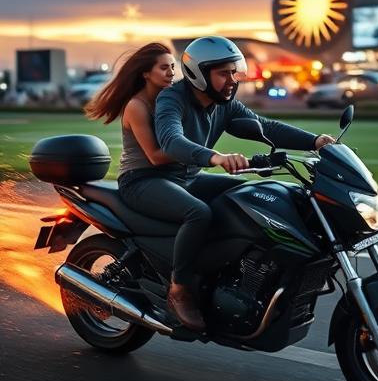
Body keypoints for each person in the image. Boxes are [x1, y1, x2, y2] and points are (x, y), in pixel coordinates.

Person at [149, 36, 336, 331]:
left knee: (245, 196)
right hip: (151, 180)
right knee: (199, 213)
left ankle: (226, 273)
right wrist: (215, 157)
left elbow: (267, 127)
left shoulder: (224, 104)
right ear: (199, 72)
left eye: (234, 72)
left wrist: (314, 141)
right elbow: (171, 141)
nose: (232, 80)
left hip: (187, 178)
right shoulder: (171, 99)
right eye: (224, 73)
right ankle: (179, 289)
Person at [82, 43, 188, 327]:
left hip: (170, 177)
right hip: (139, 179)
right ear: (146, 73)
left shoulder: (168, 100)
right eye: (164, 67)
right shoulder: (137, 106)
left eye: (172, 67)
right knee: (196, 213)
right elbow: (154, 156)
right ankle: (179, 290)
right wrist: (201, 153)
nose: (171, 72)